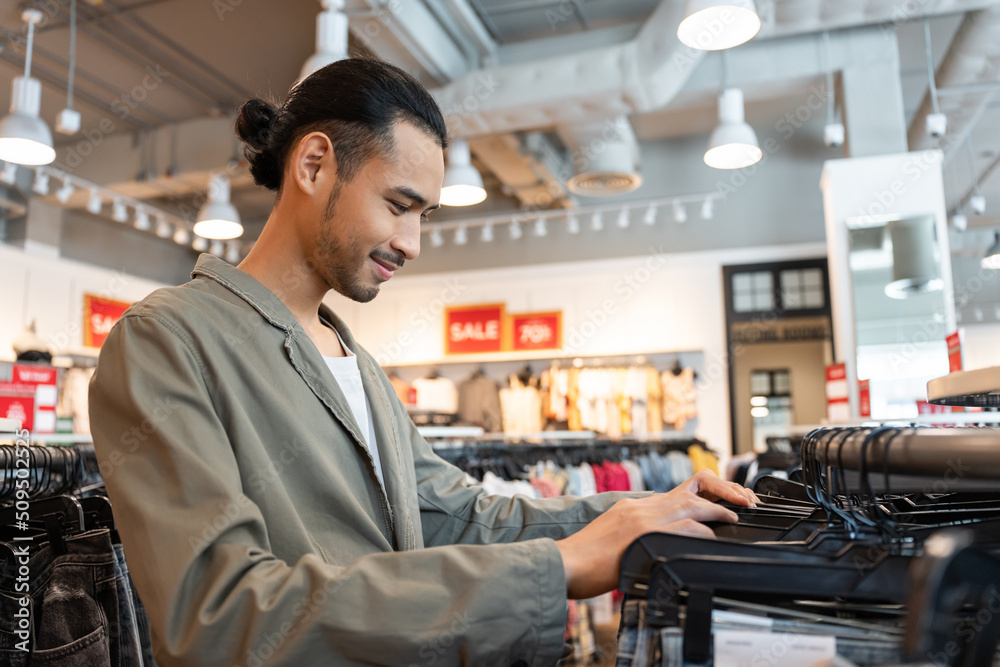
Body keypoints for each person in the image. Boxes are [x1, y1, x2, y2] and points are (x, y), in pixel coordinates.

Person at [89, 57, 757, 667]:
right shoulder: (165, 342)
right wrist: (555, 566)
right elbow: (219, 614)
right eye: (398, 205)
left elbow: (456, 513)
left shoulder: (355, 359)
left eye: (425, 216)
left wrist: (642, 513)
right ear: (314, 165)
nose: (412, 243)